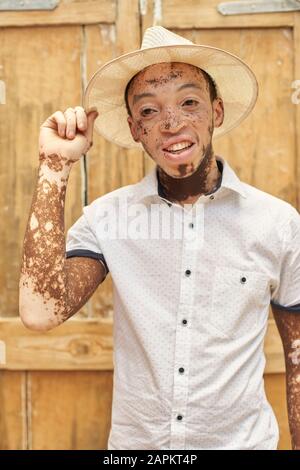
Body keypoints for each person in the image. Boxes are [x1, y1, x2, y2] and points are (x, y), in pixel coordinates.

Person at [19, 26, 300, 450]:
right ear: (135, 129)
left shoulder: (277, 223)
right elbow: (40, 312)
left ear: (216, 112)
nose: (171, 123)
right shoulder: (107, 219)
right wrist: (54, 167)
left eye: (189, 103)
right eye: (149, 111)